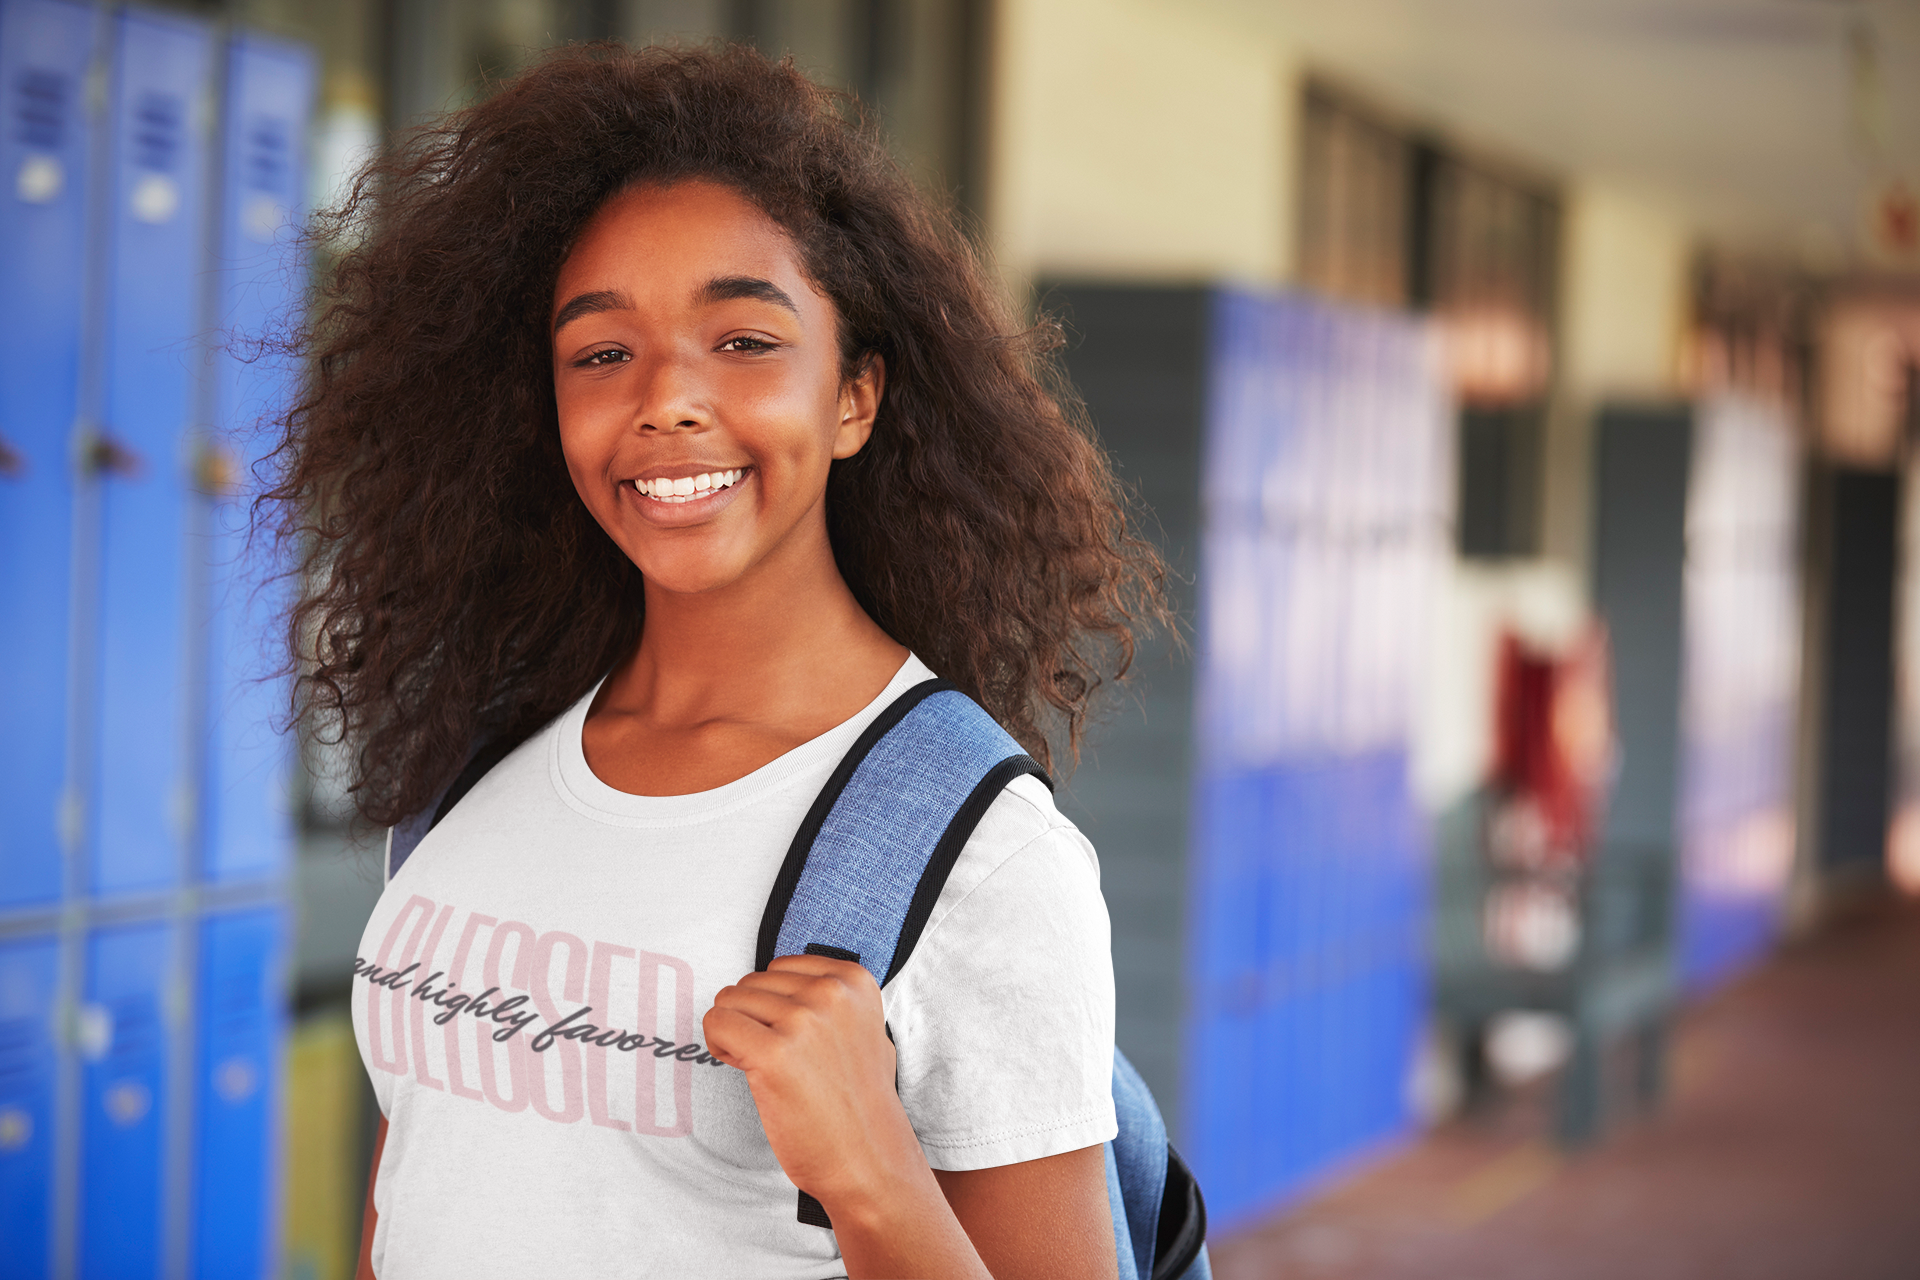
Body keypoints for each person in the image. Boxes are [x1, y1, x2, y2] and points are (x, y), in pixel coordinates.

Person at [272, 41, 1165, 1280]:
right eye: (601, 352)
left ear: (854, 397)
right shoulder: (474, 765)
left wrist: (873, 1176)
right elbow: (424, 1191)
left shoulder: (980, 858)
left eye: (743, 340)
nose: (667, 399)